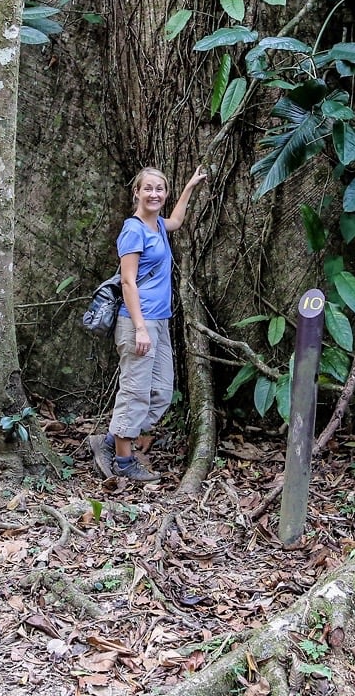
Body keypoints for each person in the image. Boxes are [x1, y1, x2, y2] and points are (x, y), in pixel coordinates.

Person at [88, 164, 209, 482]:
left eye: (160, 189)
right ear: (137, 193)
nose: (154, 194)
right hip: (137, 324)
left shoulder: (157, 226)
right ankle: (124, 464)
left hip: (160, 322)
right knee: (135, 391)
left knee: (160, 394)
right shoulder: (134, 229)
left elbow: (177, 221)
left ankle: (111, 441)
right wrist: (140, 328)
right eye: (148, 188)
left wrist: (189, 187)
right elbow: (128, 283)